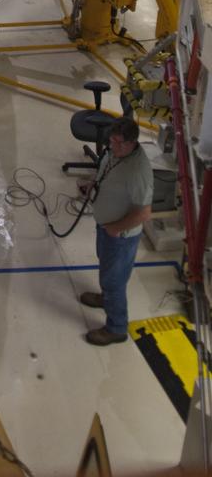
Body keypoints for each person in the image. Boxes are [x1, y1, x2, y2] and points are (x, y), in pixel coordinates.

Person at [78, 118, 153, 346]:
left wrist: (114, 229)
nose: (114, 146)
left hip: (119, 236)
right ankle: (105, 298)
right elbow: (106, 171)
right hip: (106, 227)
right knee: (107, 268)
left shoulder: (137, 171)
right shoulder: (114, 152)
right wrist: (93, 184)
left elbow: (143, 213)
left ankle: (116, 328)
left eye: (120, 143)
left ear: (133, 142)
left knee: (114, 281)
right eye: (112, 141)